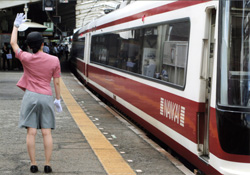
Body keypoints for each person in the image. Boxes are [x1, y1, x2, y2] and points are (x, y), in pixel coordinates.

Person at [10, 13, 62, 174]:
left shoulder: (26, 57)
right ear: (42, 44)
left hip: (30, 96)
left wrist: (16, 26)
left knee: (31, 132)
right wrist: (57, 99)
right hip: (46, 96)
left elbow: (13, 43)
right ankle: (47, 164)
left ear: (30, 46)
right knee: (46, 132)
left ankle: (33, 164)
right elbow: (57, 82)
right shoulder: (54, 60)